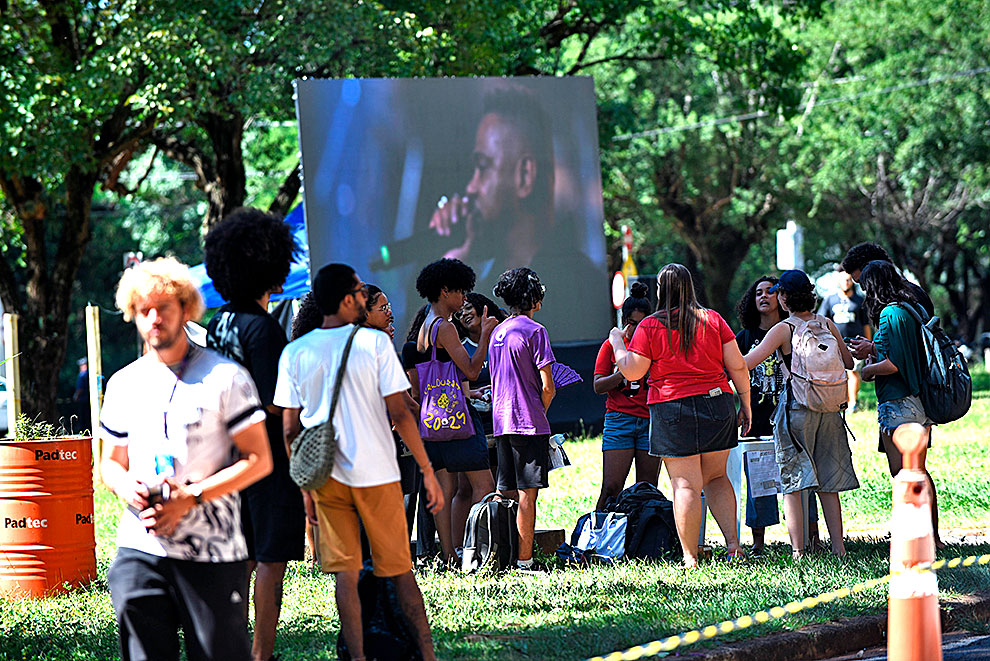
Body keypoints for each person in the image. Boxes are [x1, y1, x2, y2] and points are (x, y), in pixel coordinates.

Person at [100, 257, 273, 661]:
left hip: (211, 553)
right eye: (144, 310)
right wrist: (132, 489)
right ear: (133, 315)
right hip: (141, 549)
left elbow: (259, 459)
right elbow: (110, 464)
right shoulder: (123, 383)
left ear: (186, 309)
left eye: (164, 307)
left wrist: (191, 497)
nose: (154, 318)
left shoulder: (225, 377)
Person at [274, 263, 442, 660]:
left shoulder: (294, 352)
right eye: (360, 292)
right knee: (400, 571)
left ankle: (358, 656)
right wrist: (429, 472)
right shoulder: (374, 344)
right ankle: (428, 654)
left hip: (326, 479)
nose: (365, 298)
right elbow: (401, 413)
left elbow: (289, 431)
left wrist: (305, 491)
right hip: (379, 476)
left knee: (344, 578)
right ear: (347, 299)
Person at [424, 85, 604, 340]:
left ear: (525, 176)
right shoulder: (483, 273)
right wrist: (455, 266)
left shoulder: (580, 285)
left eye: (483, 167)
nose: (471, 187)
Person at [203, 207, 304, 661]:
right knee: (270, 556)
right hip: (265, 459)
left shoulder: (217, 324)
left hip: (224, 456)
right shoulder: (264, 329)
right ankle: (261, 653)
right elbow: (273, 402)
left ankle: (234, 647)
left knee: (239, 556)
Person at [610, 264, 750, 568]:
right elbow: (737, 365)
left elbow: (633, 371)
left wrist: (617, 343)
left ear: (661, 290)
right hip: (717, 404)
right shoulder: (713, 319)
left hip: (672, 408)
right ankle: (734, 547)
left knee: (685, 485)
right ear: (691, 286)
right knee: (717, 477)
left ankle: (690, 557)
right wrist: (746, 404)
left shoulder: (649, 325)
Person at [742, 270, 858, 559]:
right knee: (828, 485)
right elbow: (848, 361)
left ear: (783, 297)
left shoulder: (784, 329)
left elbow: (748, 362)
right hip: (831, 409)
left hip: (798, 409)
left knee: (794, 482)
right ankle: (838, 549)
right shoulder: (826, 323)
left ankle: (799, 551)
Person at [402, 259, 497, 565]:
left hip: (431, 423)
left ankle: (449, 555)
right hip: (457, 423)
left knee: (445, 488)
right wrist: (484, 336)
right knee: (485, 485)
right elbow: (470, 370)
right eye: (460, 291)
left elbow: (421, 386)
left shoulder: (422, 329)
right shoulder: (444, 327)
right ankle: (486, 551)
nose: (464, 298)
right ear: (445, 291)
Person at [857, 260, 943, 549]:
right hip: (917, 401)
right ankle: (931, 535)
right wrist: (873, 350)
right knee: (916, 471)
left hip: (899, 403)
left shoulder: (889, 314)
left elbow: (895, 364)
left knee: (904, 473)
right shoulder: (908, 309)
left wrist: (867, 370)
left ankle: (919, 537)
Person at [735, 277, 821, 553]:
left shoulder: (794, 330)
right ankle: (758, 543)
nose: (763, 297)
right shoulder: (744, 338)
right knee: (758, 483)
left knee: (801, 479)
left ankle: (812, 538)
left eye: (770, 292)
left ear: (782, 298)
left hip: (793, 417)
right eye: (757, 292)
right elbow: (737, 374)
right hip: (757, 420)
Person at [489, 267, 556, 570]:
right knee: (528, 496)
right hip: (529, 422)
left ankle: (498, 554)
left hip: (501, 422)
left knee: (506, 492)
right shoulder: (536, 331)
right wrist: (541, 411)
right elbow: (548, 386)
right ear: (532, 298)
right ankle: (525, 561)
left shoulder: (497, 333)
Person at [592, 281, 660, 511]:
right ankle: (597, 536)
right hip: (619, 419)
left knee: (647, 489)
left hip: (650, 420)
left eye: (642, 324)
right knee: (611, 487)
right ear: (623, 321)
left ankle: (642, 539)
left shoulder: (656, 346)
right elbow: (598, 386)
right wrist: (623, 373)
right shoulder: (612, 346)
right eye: (631, 324)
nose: (636, 329)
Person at [451, 292, 508, 545]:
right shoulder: (460, 348)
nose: (463, 314)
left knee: (501, 484)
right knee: (466, 487)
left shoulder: (503, 340)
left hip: (501, 422)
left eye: (468, 308)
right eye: (459, 311)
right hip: (473, 424)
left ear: (484, 309)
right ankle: (461, 547)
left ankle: (502, 540)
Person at [818, 270, 872, 412]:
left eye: (848, 280)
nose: (846, 282)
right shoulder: (830, 300)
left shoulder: (860, 300)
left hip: (855, 343)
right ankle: (838, 401)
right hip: (834, 344)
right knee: (836, 372)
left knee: (853, 371)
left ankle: (852, 403)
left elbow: (866, 324)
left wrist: (869, 346)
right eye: (843, 280)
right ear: (838, 281)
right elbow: (821, 321)